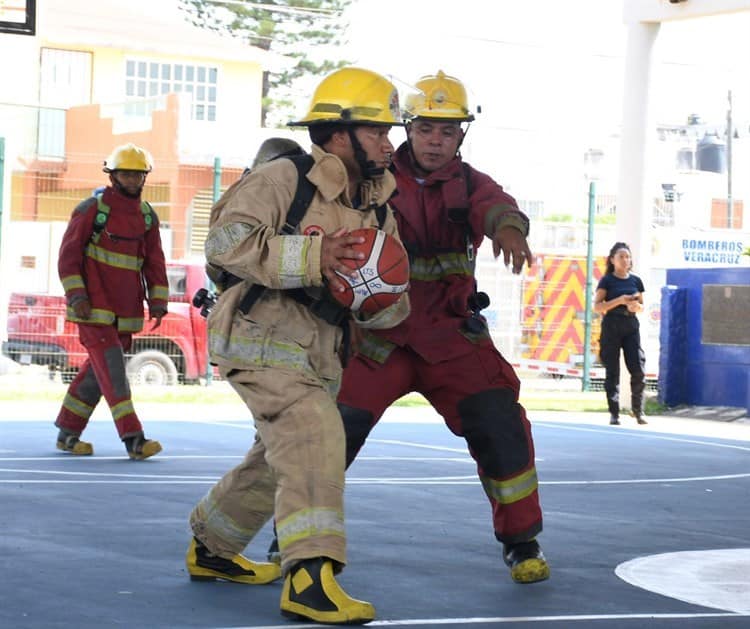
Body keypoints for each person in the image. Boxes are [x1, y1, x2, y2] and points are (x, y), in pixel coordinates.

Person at [185, 67, 410, 625]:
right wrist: (315, 257)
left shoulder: (380, 206)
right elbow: (224, 243)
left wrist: (381, 301)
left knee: (275, 459)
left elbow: (393, 294)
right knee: (314, 435)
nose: (390, 143)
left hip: (320, 350)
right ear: (338, 134)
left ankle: (211, 547)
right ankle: (309, 578)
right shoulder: (285, 178)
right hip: (259, 337)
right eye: (380, 131)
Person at [335, 70, 549, 585]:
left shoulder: (471, 182)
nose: (437, 140)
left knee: (501, 424)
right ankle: (292, 539)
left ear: (461, 136)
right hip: (380, 338)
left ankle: (522, 544)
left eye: (448, 131)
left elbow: (497, 205)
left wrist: (509, 228)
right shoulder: (370, 179)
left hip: (451, 337)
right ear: (408, 127)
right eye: (427, 128)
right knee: (328, 433)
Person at [55, 143, 166, 460]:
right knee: (114, 374)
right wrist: (77, 296)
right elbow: (68, 259)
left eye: (137, 174)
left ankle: (67, 433)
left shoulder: (147, 217)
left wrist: (158, 301)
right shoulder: (92, 209)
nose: (132, 180)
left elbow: (154, 263)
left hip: (125, 313)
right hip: (92, 310)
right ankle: (134, 439)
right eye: (126, 174)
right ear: (113, 175)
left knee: (97, 374)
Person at [593, 242, 647, 426]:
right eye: (621, 257)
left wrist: (635, 306)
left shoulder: (636, 281)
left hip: (630, 324)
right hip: (612, 325)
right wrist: (619, 301)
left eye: (628, 257)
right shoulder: (607, 281)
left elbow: (642, 306)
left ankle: (638, 410)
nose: (625, 260)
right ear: (613, 260)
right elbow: (598, 306)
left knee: (637, 368)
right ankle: (614, 413)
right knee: (612, 370)